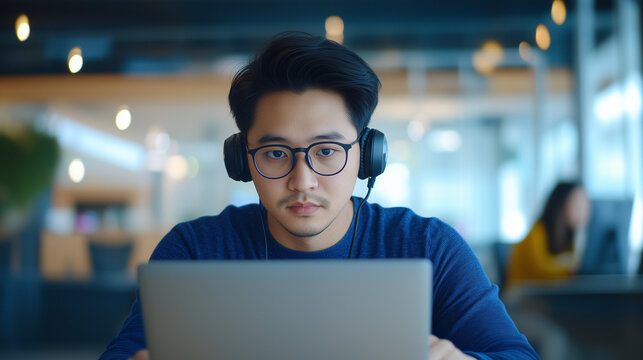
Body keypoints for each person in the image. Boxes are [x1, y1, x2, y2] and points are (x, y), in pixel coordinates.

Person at [99, 32, 539, 360]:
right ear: (243, 160)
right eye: (275, 153)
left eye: (326, 151)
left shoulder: (428, 247)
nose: (302, 179)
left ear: (368, 155)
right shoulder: (196, 250)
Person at [505, 181, 591, 288]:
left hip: (544, 295)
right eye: (578, 204)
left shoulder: (569, 237)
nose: (585, 210)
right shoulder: (537, 231)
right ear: (561, 204)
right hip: (523, 297)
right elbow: (541, 271)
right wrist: (570, 268)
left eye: (586, 204)